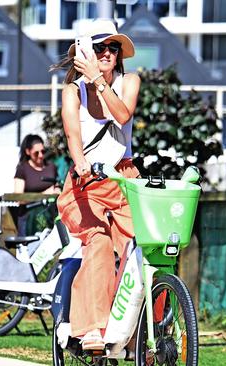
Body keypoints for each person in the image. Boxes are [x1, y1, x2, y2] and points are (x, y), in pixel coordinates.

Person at [51, 19, 141, 351]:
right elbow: (74, 137)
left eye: (112, 47)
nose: (107, 53)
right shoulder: (73, 91)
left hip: (124, 179)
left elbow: (122, 115)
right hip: (86, 183)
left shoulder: (129, 81)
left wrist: (100, 83)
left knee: (143, 250)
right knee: (100, 244)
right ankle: (92, 326)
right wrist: (81, 164)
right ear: (86, 51)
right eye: (100, 47)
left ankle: (136, 331)